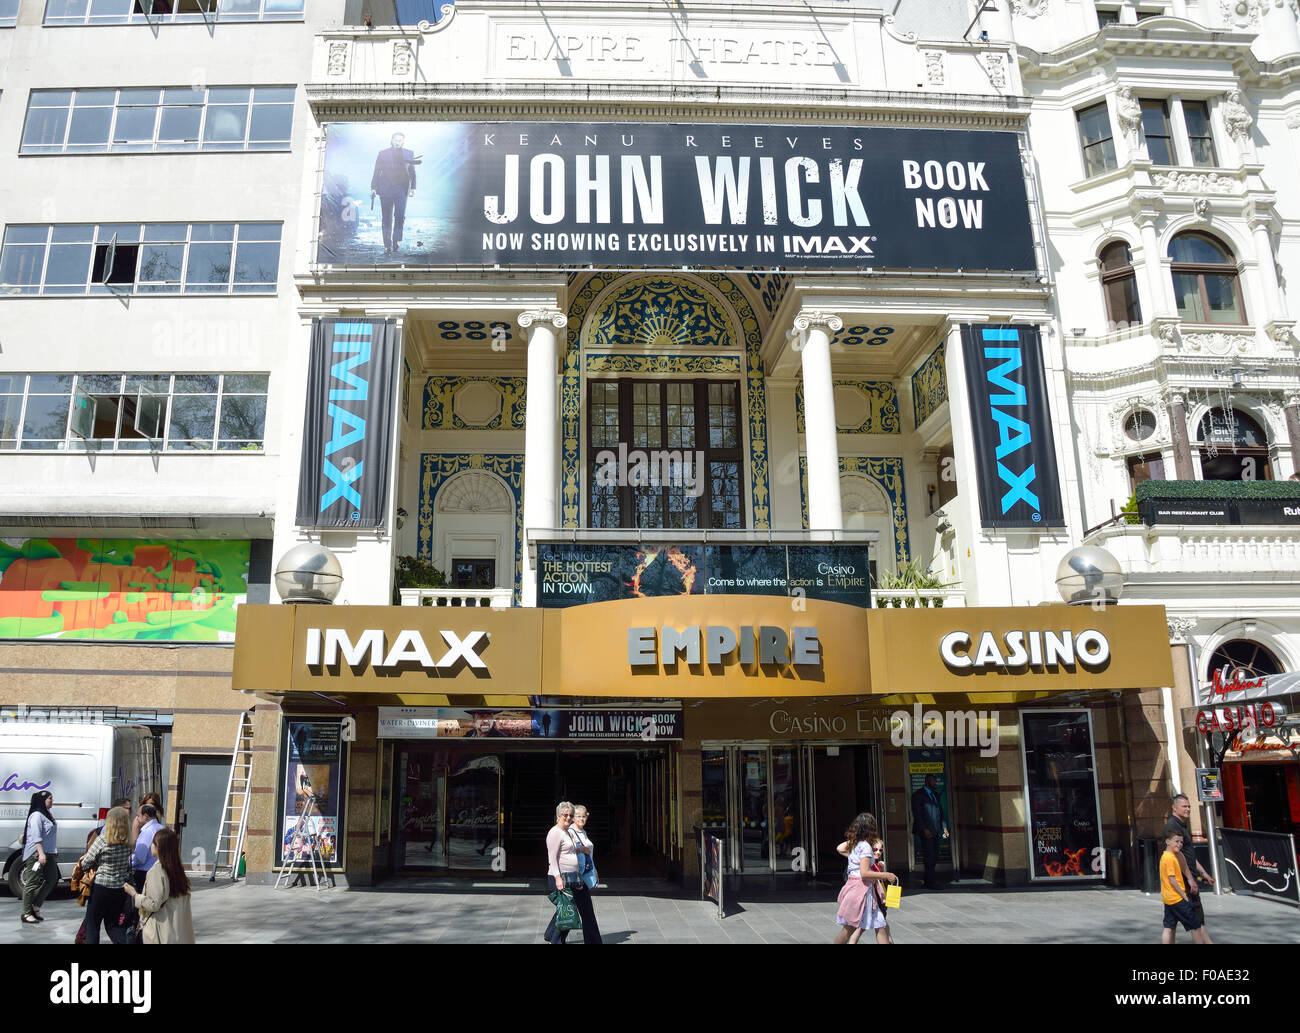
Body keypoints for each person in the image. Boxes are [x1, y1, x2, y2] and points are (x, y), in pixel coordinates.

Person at [833, 812, 898, 944]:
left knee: (880, 925)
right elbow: (865, 873)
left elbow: (840, 848)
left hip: (859, 890)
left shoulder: (854, 845)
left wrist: (855, 836)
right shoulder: (865, 847)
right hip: (861, 892)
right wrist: (886, 875)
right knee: (849, 928)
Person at [124, 827, 194, 944]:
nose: (151, 846)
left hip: (160, 933)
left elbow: (153, 904)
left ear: (159, 847)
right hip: (178, 933)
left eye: (153, 843)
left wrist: (134, 894)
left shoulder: (157, 871)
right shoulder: (178, 870)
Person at [543, 801, 598, 944]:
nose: (568, 818)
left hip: (574, 877)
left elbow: (571, 850)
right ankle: (554, 940)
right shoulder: (555, 833)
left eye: (570, 815)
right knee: (567, 913)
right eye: (565, 815)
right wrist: (558, 878)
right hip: (562, 877)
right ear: (558, 815)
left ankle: (551, 937)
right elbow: (552, 858)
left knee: (567, 913)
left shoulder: (567, 832)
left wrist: (580, 850)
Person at [1163, 793, 1214, 943]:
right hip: (1183, 881)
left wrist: (1203, 873)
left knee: (1171, 925)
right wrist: (1191, 879)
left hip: (1184, 880)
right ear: (1174, 807)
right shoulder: (1173, 828)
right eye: (1184, 806)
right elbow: (1179, 857)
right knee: (1196, 921)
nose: (1188, 809)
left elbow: (1189, 855)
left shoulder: (1181, 826)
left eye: (1189, 806)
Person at [79, 806, 135, 944]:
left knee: (93, 925)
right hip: (119, 888)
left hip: (101, 887)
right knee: (113, 925)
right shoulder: (128, 842)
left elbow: (86, 862)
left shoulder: (103, 840)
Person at [370, 131, 420, 254]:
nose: (397, 142)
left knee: (399, 216)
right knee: (386, 218)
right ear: (391, 140)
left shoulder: (409, 153)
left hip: (401, 190)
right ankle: (387, 244)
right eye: (395, 140)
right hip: (385, 189)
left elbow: (412, 172)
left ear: (403, 141)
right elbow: (376, 171)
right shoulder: (382, 154)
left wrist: (413, 188)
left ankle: (396, 241)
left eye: (400, 140)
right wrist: (373, 188)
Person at [1161, 831, 1209, 944]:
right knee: (1196, 926)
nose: (1179, 844)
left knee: (1169, 927)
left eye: (1181, 842)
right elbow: (1172, 880)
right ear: (1167, 842)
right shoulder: (1170, 858)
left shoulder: (1165, 856)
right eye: (1176, 841)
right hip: (1177, 899)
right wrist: (1184, 896)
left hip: (1168, 899)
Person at [19, 791, 58, 925]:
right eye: (49, 798)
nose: (52, 800)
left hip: (48, 852)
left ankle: (35, 906)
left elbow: (50, 835)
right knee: (32, 883)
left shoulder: (47, 814)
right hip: (36, 853)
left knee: (52, 879)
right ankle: (26, 912)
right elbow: (36, 837)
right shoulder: (36, 816)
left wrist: (53, 850)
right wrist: (41, 854)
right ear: (42, 800)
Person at [568, 805, 603, 944]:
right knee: (584, 909)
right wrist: (580, 849)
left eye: (584, 816)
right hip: (576, 875)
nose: (581, 819)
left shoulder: (582, 832)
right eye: (578, 816)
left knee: (572, 906)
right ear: (573, 818)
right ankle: (594, 941)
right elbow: (567, 850)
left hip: (585, 874)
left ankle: (552, 933)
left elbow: (589, 855)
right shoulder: (570, 832)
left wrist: (595, 870)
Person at [911, 774, 949, 889]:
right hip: (926, 832)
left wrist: (944, 827)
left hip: (936, 831)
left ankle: (928, 879)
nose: (936, 783)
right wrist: (924, 829)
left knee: (935, 855)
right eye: (934, 781)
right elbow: (917, 814)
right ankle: (931, 882)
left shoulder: (935, 795)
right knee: (929, 856)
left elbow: (940, 813)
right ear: (928, 782)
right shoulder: (918, 795)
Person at [130, 804, 163, 892]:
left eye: (138, 816)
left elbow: (140, 858)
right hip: (160, 871)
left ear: (145, 816)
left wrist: (128, 863)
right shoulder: (162, 828)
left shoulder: (147, 832)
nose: (137, 819)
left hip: (145, 874)